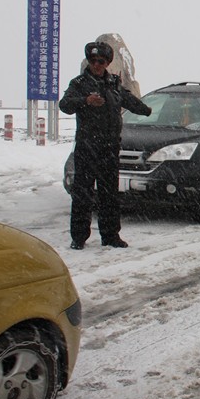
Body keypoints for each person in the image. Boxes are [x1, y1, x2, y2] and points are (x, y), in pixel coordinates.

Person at [59, 41, 151, 250]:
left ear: (107, 62)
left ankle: (110, 236)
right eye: (92, 60)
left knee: (109, 194)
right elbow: (64, 105)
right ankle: (79, 238)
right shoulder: (79, 83)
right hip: (87, 148)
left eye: (101, 61)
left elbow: (128, 100)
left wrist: (147, 110)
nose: (96, 65)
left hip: (109, 149)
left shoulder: (113, 83)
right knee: (82, 194)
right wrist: (85, 100)